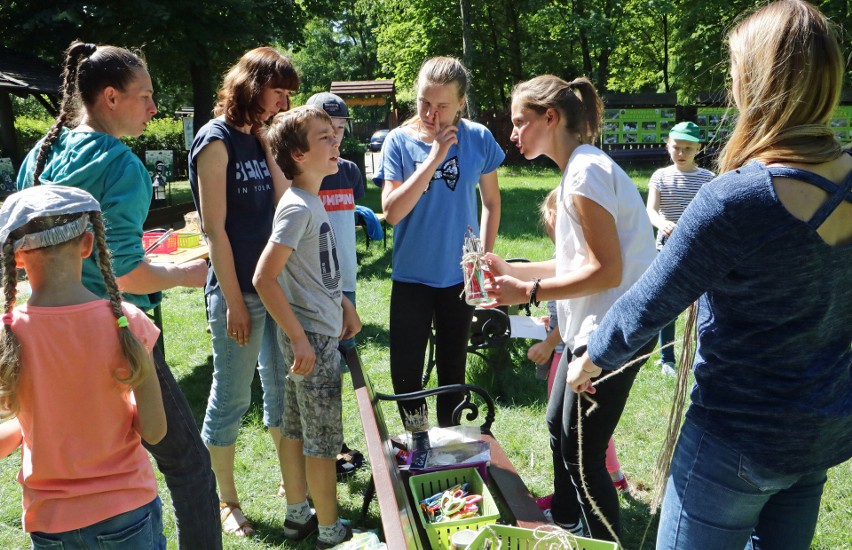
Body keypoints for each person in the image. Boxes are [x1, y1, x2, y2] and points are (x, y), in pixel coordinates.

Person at [568, 1, 852, 548]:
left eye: (737, 73)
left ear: (759, 81)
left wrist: (591, 358)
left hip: (735, 439)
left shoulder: (737, 197)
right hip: (820, 432)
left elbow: (649, 302)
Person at [16, 41, 220, 549]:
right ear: (110, 97)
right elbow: (124, 274)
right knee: (190, 466)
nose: (154, 108)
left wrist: (164, 265)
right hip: (119, 334)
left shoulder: (39, 155)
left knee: (79, 452)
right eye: (145, 96)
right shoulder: (123, 166)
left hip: (45, 336)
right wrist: (185, 276)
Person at [483, 75, 656, 541]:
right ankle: (573, 521)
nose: (513, 134)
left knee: (583, 451)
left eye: (520, 122)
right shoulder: (576, 171)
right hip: (593, 329)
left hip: (614, 332)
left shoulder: (586, 171)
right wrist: (513, 269)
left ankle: (606, 540)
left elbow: (608, 271)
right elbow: (575, 261)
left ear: (551, 117)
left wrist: (530, 292)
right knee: (560, 428)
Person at [0, 186, 166, 548]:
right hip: (127, 511)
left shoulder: (7, 335)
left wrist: (35, 424)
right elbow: (154, 430)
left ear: (16, 258)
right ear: (88, 243)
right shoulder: (128, 322)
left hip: (49, 522)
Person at [188, 46, 295, 537]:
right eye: (279, 91)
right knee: (231, 397)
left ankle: (291, 485)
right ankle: (223, 500)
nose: (284, 102)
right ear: (254, 86)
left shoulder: (256, 137)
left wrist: (267, 139)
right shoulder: (215, 141)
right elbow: (215, 232)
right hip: (237, 293)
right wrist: (233, 302)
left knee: (280, 391)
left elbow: (281, 201)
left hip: (271, 287)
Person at [374, 56, 503, 428]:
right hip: (412, 277)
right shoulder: (399, 142)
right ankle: (418, 443)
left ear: (461, 102)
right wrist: (433, 158)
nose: (431, 113)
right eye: (423, 103)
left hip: (459, 279)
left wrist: (482, 259)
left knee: (453, 372)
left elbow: (492, 203)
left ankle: (448, 446)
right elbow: (392, 212)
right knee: (406, 374)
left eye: (442, 106)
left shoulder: (478, 138)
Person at [254, 106, 362, 548]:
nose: (336, 141)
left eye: (335, 135)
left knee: (297, 430)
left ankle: (298, 514)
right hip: (311, 341)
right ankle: (330, 528)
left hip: (316, 331)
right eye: (324, 137)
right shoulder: (298, 207)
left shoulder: (310, 201)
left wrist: (342, 304)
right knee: (323, 441)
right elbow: (264, 277)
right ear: (298, 154)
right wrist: (300, 336)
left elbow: (315, 268)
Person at [526, 189, 629, 515]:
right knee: (566, 426)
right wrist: (548, 321)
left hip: (572, 353)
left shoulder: (584, 258)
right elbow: (561, 308)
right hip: (566, 348)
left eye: (560, 223)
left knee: (580, 434)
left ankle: (593, 494)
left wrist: (548, 341)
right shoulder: (567, 256)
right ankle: (567, 505)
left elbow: (576, 313)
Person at [644, 121, 714, 375]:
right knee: (668, 304)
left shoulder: (708, 179)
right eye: (676, 147)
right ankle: (667, 359)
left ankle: (700, 356)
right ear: (668, 146)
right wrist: (662, 223)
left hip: (697, 250)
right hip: (666, 248)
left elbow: (711, 214)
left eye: (688, 148)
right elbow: (651, 210)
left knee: (700, 305)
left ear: (698, 148)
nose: (681, 153)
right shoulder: (660, 176)